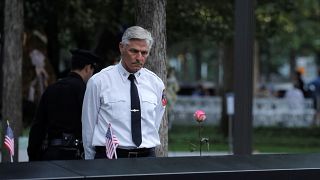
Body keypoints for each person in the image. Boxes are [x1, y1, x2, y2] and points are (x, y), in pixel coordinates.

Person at [82, 26, 166, 159]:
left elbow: (155, 122)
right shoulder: (99, 81)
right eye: (134, 51)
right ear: (121, 47)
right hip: (110, 156)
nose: (139, 57)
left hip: (146, 157)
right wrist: (90, 161)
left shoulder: (156, 83)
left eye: (144, 53)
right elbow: (89, 126)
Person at [27, 49, 100, 161]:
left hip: (50, 155)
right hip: (76, 156)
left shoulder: (51, 89)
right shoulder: (85, 91)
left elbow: (38, 126)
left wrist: (33, 156)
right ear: (87, 68)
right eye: (92, 70)